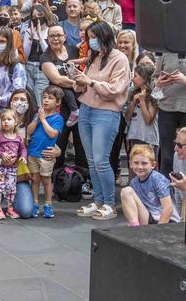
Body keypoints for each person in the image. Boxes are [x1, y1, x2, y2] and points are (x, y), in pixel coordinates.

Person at [73, 21, 130, 221]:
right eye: (89, 37)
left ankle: (109, 204)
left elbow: (116, 89)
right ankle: (98, 201)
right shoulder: (94, 57)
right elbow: (86, 85)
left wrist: (90, 82)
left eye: (94, 37)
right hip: (86, 109)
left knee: (101, 160)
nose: (91, 41)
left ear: (104, 37)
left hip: (106, 112)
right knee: (91, 160)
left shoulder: (119, 58)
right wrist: (78, 80)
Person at [0, 89, 61, 218]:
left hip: (20, 173)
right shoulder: (2, 122)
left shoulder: (33, 122)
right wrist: (1, 159)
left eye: (23, 100)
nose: (18, 103)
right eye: (15, 99)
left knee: (26, 211)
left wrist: (58, 151)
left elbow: (43, 140)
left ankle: (10, 197)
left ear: (29, 104)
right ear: (10, 103)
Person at [27, 85, 64, 218]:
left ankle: (48, 204)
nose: (46, 100)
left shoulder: (58, 118)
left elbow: (52, 134)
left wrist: (43, 120)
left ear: (58, 102)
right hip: (33, 153)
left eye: (50, 98)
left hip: (46, 154)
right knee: (35, 179)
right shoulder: (38, 114)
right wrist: (37, 119)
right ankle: (35, 203)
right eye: (44, 97)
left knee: (46, 179)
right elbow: (29, 131)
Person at [121, 144, 180, 226]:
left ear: (153, 165)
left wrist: (158, 230)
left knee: (127, 191)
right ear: (130, 164)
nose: (140, 167)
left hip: (167, 220)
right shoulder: (134, 182)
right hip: (150, 217)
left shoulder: (157, 179)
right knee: (126, 191)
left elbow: (168, 208)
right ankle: (135, 226)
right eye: (136, 163)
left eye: (144, 163)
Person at [154, 53, 186, 178]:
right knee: (167, 156)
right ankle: (166, 193)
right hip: (167, 108)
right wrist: (159, 83)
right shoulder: (165, 52)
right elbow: (153, 80)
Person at [0, 109, 27, 219]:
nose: (6, 122)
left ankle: (10, 208)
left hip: (12, 168)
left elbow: (23, 149)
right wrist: (1, 154)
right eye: (3, 120)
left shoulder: (18, 137)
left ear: (15, 122)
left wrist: (23, 156)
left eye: (9, 119)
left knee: (11, 188)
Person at [0, 26, 26, 127]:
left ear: (9, 43)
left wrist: (1, 100)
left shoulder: (16, 66)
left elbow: (19, 92)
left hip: (7, 117)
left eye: (2, 41)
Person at [40, 25, 80, 127]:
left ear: (65, 37)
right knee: (60, 138)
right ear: (48, 38)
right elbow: (57, 80)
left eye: (59, 35)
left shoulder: (74, 50)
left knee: (80, 139)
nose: (55, 38)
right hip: (60, 104)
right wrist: (82, 83)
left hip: (80, 100)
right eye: (52, 36)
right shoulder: (45, 57)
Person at [22, 4, 57, 105]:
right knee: (29, 98)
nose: (37, 18)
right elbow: (25, 54)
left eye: (40, 15)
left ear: (45, 15)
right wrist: (31, 37)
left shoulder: (51, 30)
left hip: (43, 69)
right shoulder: (29, 31)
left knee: (40, 99)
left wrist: (41, 37)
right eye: (34, 16)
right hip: (29, 67)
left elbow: (50, 54)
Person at [125, 63, 159, 165]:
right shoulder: (134, 93)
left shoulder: (154, 95)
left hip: (149, 139)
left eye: (135, 76)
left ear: (144, 78)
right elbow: (127, 117)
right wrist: (132, 103)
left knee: (148, 166)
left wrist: (143, 101)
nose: (132, 79)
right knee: (133, 167)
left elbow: (148, 120)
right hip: (134, 135)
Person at [170, 127, 186, 216]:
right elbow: (177, 192)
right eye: (175, 143)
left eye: (179, 145)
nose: (175, 148)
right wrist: (178, 217)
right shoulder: (176, 156)